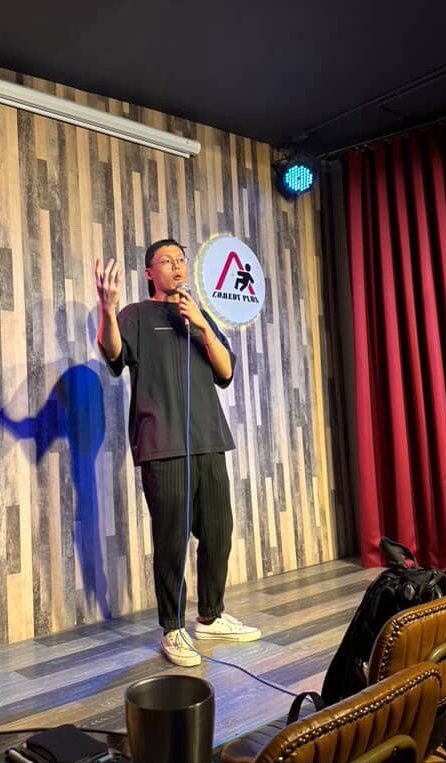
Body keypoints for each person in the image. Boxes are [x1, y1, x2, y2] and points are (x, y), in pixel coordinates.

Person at [95, 239, 261, 667]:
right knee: (171, 540)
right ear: (150, 272)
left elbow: (225, 370)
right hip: (162, 445)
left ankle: (211, 616)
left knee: (219, 532)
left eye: (181, 260)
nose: (177, 266)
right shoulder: (135, 315)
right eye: (166, 261)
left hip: (209, 440)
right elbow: (113, 353)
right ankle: (172, 628)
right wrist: (108, 310)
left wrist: (202, 325)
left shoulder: (197, 316)